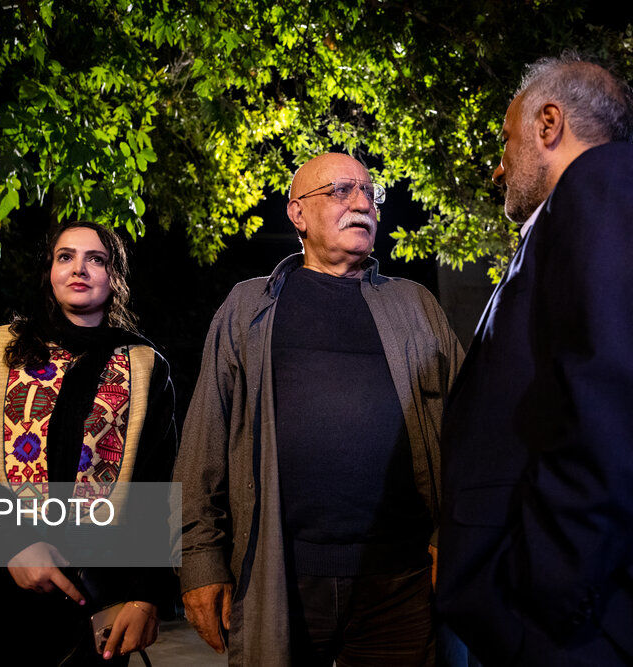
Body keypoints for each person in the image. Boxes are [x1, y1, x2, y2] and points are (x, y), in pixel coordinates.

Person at [436, 55, 633, 665]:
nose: (499, 166)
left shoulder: (609, 182)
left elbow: (619, 402)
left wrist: (539, 593)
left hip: (606, 623)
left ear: (548, 123)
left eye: (507, 139)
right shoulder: (581, 209)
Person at [175, 152, 463, 666]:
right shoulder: (248, 307)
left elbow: (469, 429)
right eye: (340, 191)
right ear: (297, 213)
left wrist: (455, 532)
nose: (362, 204)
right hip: (279, 576)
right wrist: (199, 561)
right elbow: (203, 443)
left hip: (400, 581)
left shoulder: (415, 304)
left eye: (369, 192)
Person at [0, 221, 177, 665]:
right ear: (50, 270)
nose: (79, 268)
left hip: (96, 596)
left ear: (115, 277)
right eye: (66, 256)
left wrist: (145, 595)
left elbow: (157, 485)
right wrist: (11, 543)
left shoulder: (145, 366)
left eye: (96, 259)